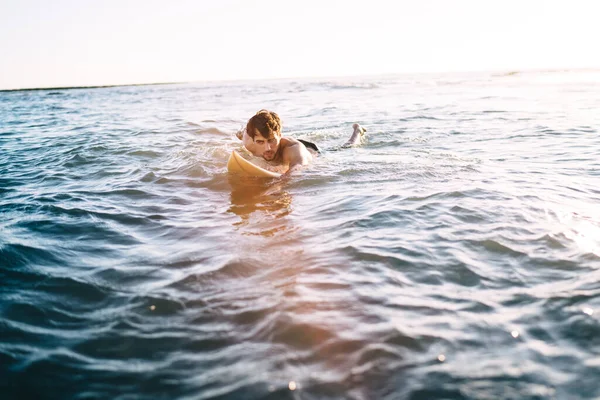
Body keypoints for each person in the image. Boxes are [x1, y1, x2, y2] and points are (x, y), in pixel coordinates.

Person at [236, 110, 366, 175]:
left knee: (346, 147)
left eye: (271, 140)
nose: (267, 147)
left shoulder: (294, 150)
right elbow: (244, 133)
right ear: (253, 140)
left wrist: (281, 181)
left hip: (309, 149)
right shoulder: (249, 142)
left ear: (280, 135)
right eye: (260, 142)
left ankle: (357, 131)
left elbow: (297, 171)